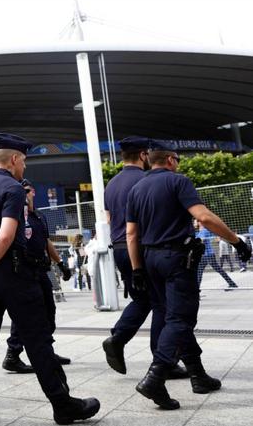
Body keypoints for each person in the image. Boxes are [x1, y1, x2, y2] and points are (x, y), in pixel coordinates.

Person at [0, 133, 99, 426]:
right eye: (24, 161)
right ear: (14, 159)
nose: (24, 167)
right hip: (14, 276)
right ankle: (62, 405)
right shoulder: (13, 189)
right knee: (38, 341)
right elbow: (5, 235)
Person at [126, 140, 251, 410]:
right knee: (180, 318)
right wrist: (237, 242)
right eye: (178, 160)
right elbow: (203, 217)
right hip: (175, 259)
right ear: (171, 160)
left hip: (149, 259)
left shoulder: (136, 189)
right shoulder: (177, 181)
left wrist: (137, 269)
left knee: (172, 316)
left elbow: (131, 234)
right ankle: (155, 376)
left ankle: (197, 375)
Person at [101, 136, 188, 379]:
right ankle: (163, 360)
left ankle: (118, 338)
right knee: (161, 304)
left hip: (119, 248)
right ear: (142, 156)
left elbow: (109, 219)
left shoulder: (111, 184)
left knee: (141, 299)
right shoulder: (145, 181)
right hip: (142, 248)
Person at [2, 179, 72, 374]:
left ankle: (47, 351)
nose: (24, 195)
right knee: (23, 313)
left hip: (41, 270)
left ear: (32, 192)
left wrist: (60, 264)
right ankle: (12, 355)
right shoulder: (14, 216)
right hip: (23, 271)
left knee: (49, 311)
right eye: (20, 191)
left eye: (26, 191)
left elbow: (46, 242)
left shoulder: (39, 216)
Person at [195, 222, 238, 289]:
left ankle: (196, 290)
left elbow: (201, 241)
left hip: (208, 255)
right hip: (204, 255)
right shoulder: (199, 232)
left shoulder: (204, 231)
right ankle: (232, 283)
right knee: (201, 271)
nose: (194, 223)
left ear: (199, 223)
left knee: (200, 271)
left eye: (195, 221)